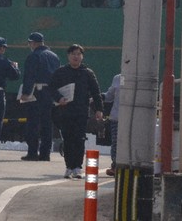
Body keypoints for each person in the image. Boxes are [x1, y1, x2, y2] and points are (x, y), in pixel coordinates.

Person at [48, 44, 103, 179]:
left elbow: (96, 92)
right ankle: (69, 166)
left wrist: (99, 109)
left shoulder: (87, 73)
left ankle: (78, 167)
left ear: (82, 56)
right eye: (73, 54)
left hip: (81, 112)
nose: (76, 57)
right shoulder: (61, 72)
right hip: (65, 111)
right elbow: (51, 88)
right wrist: (59, 98)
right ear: (68, 56)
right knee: (67, 139)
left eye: (79, 54)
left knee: (79, 139)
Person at [19, 32, 61, 161]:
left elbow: (29, 76)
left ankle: (32, 152)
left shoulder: (34, 56)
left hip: (36, 93)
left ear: (33, 43)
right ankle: (45, 154)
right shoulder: (54, 56)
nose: (29, 45)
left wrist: (25, 93)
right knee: (47, 125)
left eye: (30, 43)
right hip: (50, 93)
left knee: (33, 124)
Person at [104, 73, 121, 176]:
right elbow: (109, 96)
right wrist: (98, 97)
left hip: (134, 118)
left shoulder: (141, 78)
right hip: (116, 117)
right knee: (115, 142)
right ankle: (115, 166)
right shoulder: (117, 78)